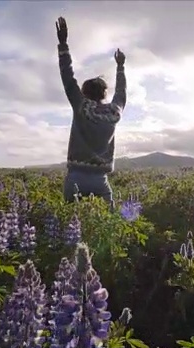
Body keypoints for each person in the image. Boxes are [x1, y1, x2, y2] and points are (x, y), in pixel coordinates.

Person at [55, 17, 126, 206]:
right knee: (108, 225)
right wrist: (120, 67)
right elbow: (121, 93)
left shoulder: (81, 106)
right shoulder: (113, 112)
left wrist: (63, 45)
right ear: (104, 93)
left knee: (71, 220)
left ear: (84, 92)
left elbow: (68, 78)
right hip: (100, 180)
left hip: (76, 177)